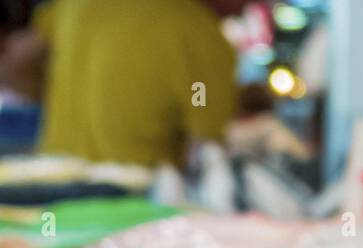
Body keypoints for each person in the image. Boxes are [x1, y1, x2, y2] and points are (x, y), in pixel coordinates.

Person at [1, 0, 244, 167]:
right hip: (135, 198)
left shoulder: (77, 4)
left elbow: (12, 67)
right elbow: (204, 145)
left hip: (55, 185)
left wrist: (70, 92)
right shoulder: (202, 34)